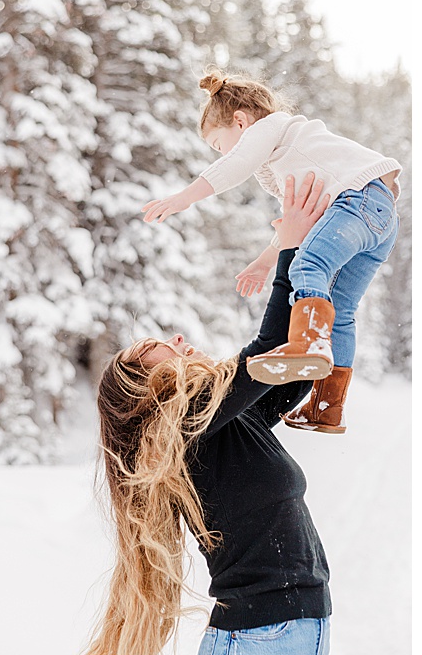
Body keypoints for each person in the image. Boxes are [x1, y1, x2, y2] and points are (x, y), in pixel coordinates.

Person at [88, 172, 336, 655]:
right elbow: (267, 354)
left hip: (281, 631)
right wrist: (287, 251)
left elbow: (288, 378)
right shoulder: (185, 426)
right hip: (260, 637)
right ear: (145, 391)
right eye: (159, 348)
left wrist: (319, 269)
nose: (178, 340)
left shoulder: (222, 425)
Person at [139, 71, 400, 433]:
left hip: (359, 201)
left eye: (218, 144)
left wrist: (183, 197)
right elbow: (294, 222)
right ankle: (327, 405)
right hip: (380, 220)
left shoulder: (271, 127)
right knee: (340, 310)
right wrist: (264, 263)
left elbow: (235, 166)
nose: (223, 153)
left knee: (307, 265)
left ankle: (307, 343)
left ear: (240, 122)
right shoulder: (284, 156)